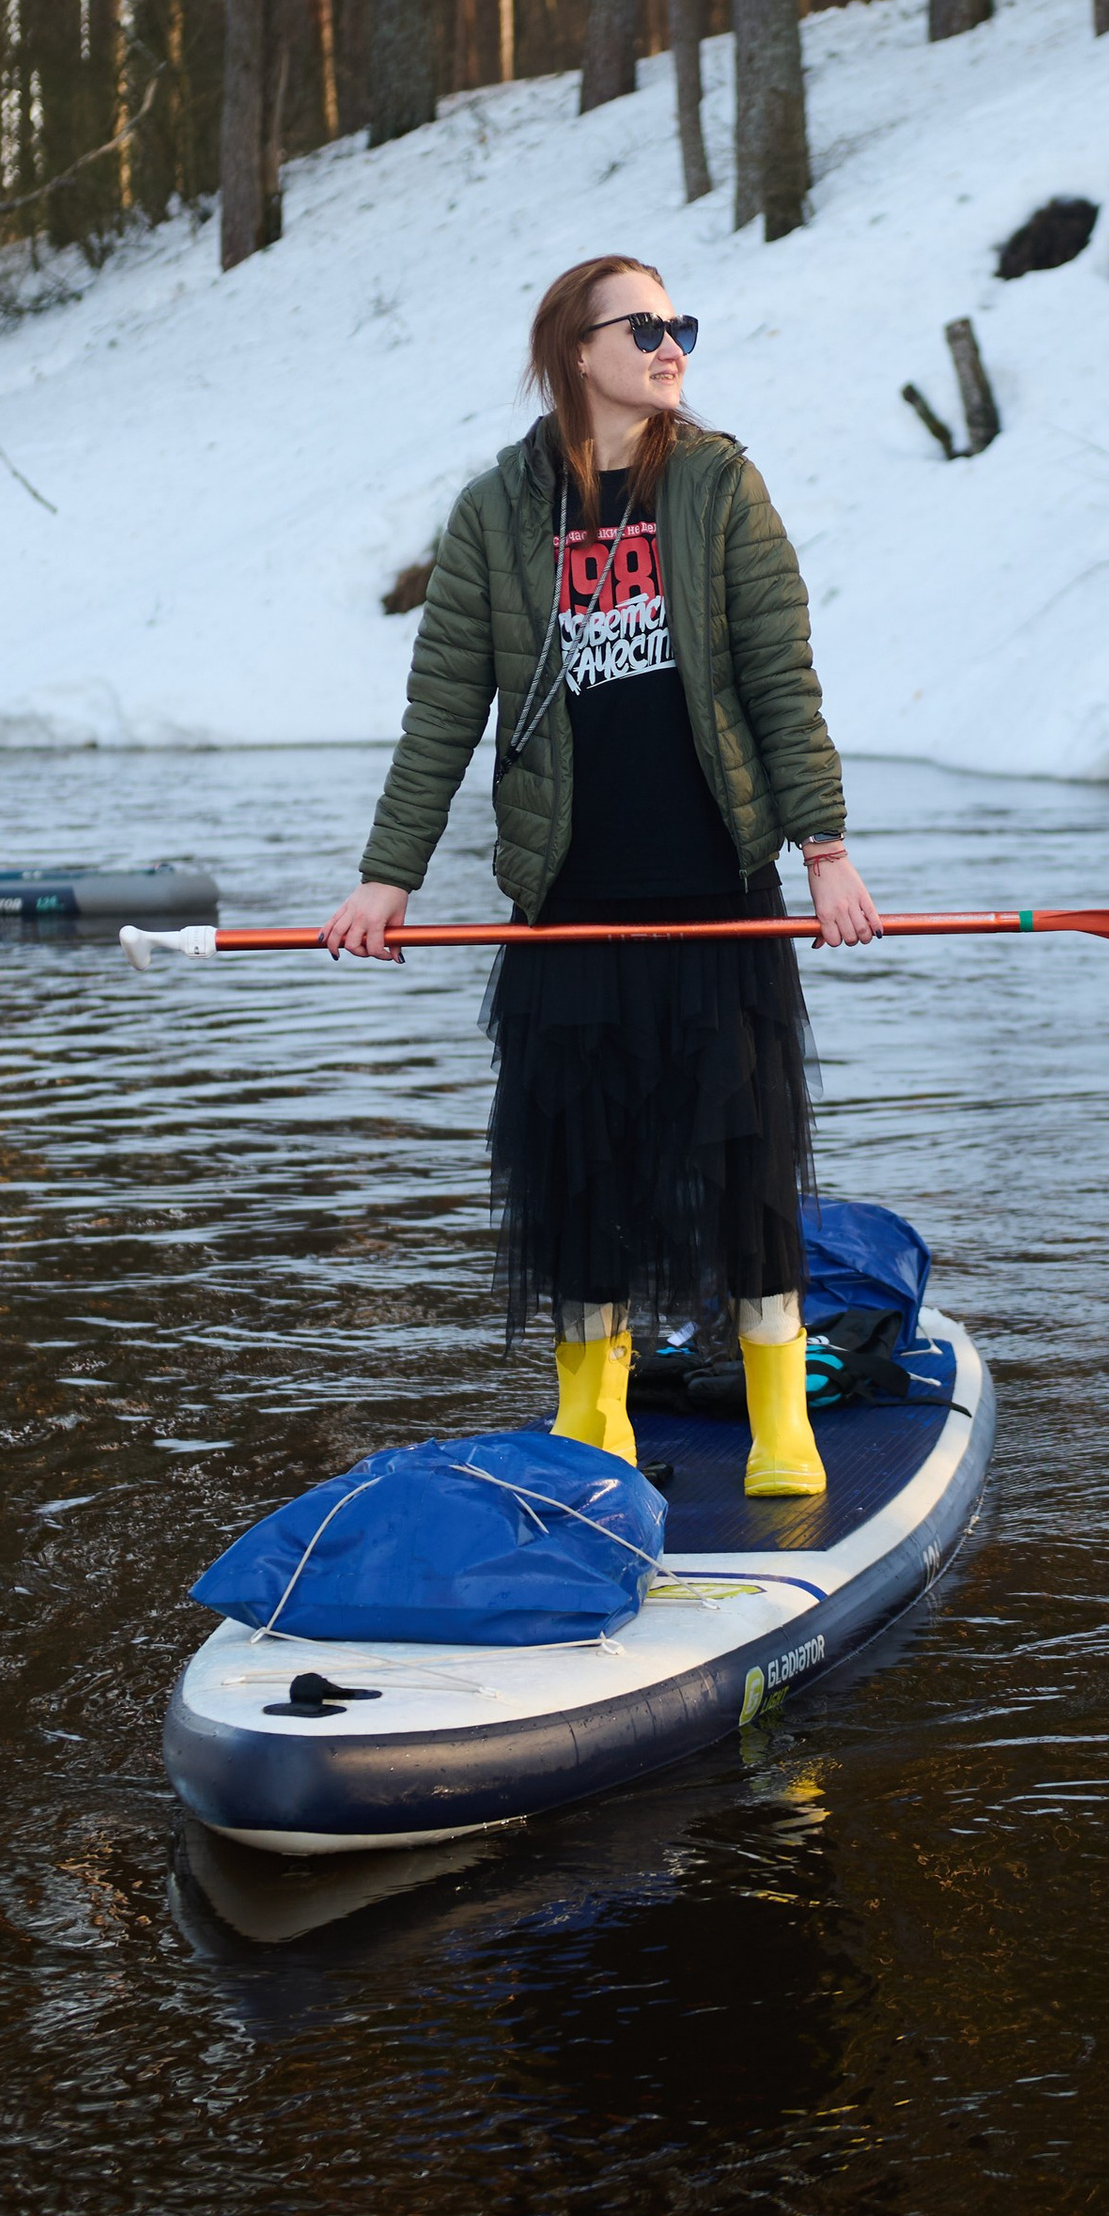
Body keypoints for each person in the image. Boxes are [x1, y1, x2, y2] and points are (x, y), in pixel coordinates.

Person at [322, 256, 883, 1495]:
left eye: (680, 322)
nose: (672, 341)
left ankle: (779, 1420)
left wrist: (824, 849)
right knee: (578, 1166)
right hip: (569, 903)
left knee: (745, 1157)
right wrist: (386, 876)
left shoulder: (721, 485)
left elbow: (782, 680)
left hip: (716, 887)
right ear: (579, 351)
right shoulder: (495, 513)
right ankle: (595, 1420)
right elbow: (439, 714)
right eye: (645, 325)